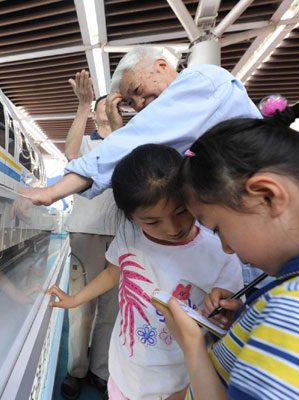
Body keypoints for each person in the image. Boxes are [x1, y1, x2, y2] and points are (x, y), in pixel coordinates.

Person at [154, 97, 299, 399]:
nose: (227, 249)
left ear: (266, 196)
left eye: (218, 228)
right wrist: (251, 321)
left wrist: (193, 348)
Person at [47, 144, 243, 400]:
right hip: (123, 370)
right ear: (130, 217)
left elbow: (228, 320)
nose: (173, 228)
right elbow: (114, 273)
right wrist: (76, 299)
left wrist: (222, 313)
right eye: (152, 221)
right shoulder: (130, 234)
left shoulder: (218, 252)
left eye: (181, 211)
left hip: (175, 382)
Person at [19, 45, 261, 206]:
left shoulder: (200, 81)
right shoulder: (181, 116)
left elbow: (132, 142)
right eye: (130, 103)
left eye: (136, 91)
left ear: (162, 66)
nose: (139, 105)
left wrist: (52, 192)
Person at [61, 69, 119, 399]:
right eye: (100, 108)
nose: (106, 113)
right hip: (85, 234)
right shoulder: (85, 143)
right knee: (80, 310)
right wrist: (82, 107)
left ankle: (100, 370)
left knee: (111, 311)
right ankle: (76, 370)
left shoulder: (129, 142)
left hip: (122, 236)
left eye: (112, 108)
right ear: (95, 116)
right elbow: (70, 154)